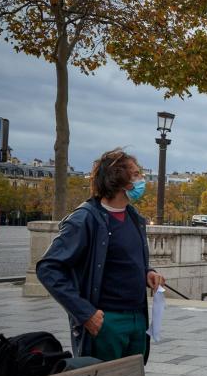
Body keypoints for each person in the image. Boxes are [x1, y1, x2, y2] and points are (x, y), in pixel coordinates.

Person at [37, 148, 165, 362]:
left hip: (137, 319)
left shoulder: (134, 217)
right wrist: (85, 313)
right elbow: (47, 268)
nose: (142, 179)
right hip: (107, 322)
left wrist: (147, 272)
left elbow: (123, 259)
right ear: (119, 180)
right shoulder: (85, 219)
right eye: (136, 174)